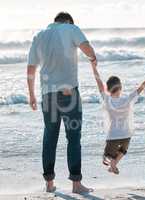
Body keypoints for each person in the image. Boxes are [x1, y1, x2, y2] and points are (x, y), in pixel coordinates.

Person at [27, 12, 97, 193]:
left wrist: (31, 94)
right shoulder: (71, 28)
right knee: (73, 137)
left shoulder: (39, 35)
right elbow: (87, 49)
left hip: (47, 95)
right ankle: (76, 184)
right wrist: (93, 58)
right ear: (68, 21)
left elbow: (31, 67)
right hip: (69, 94)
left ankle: (49, 184)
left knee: (49, 138)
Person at [91, 61, 145, 174]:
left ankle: (111, 162)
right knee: (123, 150)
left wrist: (93, 67)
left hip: (113, 135)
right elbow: (142, 87)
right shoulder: (128, 99)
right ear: (120, 88)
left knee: (106, 156)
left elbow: (98, 81)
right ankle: (114, 163)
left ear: (107, 89)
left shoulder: (107, 100)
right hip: (126, 135)